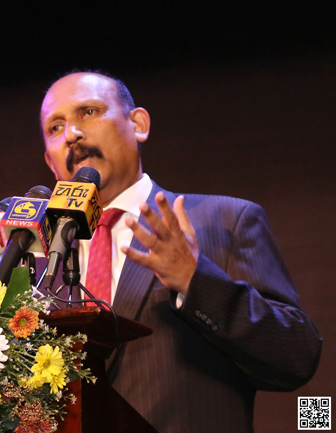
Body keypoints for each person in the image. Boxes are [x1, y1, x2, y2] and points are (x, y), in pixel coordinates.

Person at [39, 71, 322, 433]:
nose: (72, 135)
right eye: (55, 128)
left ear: (138, 124)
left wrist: (195, 280)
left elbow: (296, 356)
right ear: (50, 162)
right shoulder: (41, 261)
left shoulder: (224, 221)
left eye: (89, 112)